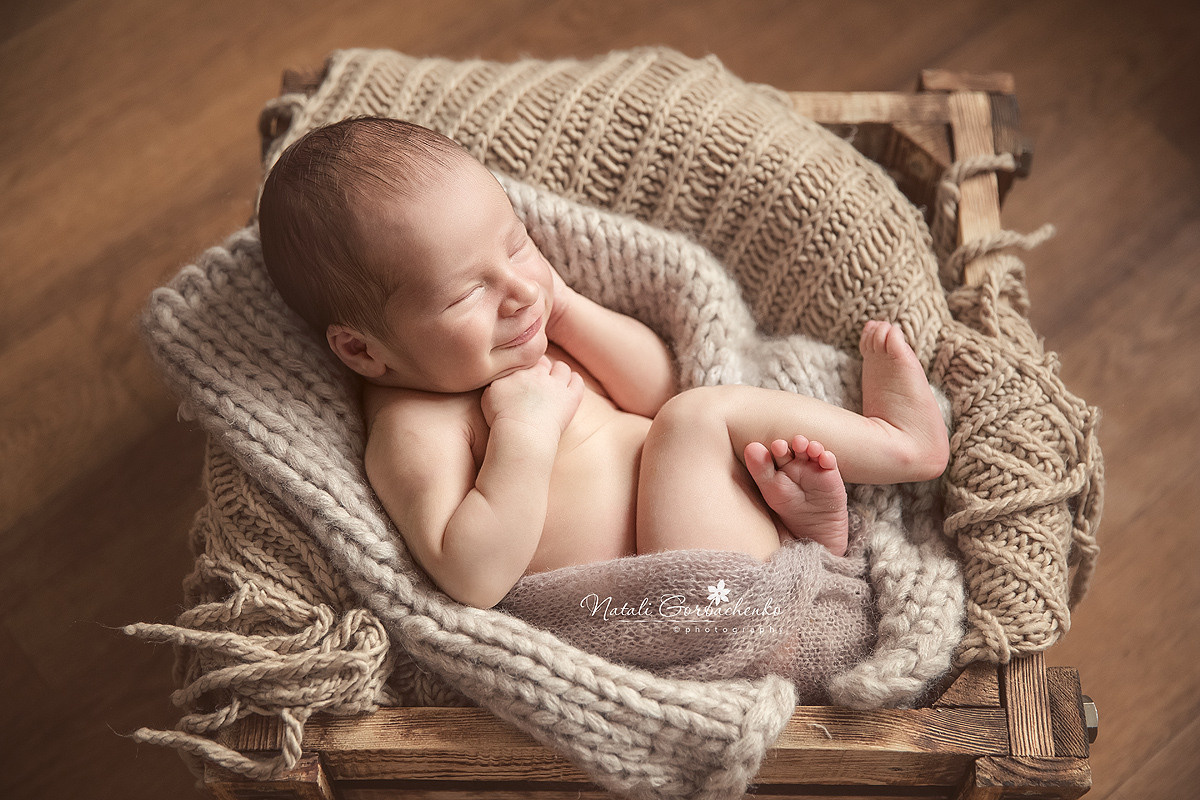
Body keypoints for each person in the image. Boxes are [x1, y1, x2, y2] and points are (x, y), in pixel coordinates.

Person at [257, 117, 950, 609]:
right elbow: (472, 575)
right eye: (471, 290)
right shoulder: (416, 425)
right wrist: (524, 438)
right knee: (697, 418)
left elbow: (655, 388)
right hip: (658, 606)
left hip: (706, 555)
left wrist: (569, 313)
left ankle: (807, 544)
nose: (521, 290)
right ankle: (901, 447)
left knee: (687, 415)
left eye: (518, 245)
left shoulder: (532, 334)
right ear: (362, 350)